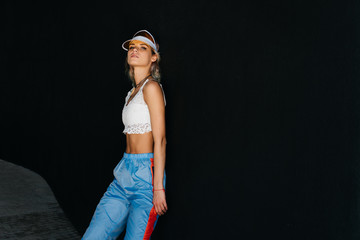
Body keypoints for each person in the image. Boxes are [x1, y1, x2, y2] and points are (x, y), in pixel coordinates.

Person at [82, 30, 167, 240]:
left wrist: (158, 188)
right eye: (132, 47)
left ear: (154, 56)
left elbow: (161, 139)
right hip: (124, 173)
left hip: (146, 177)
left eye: (142, 47)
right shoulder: (131, 93)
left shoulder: (152, 87)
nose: (135, 50)